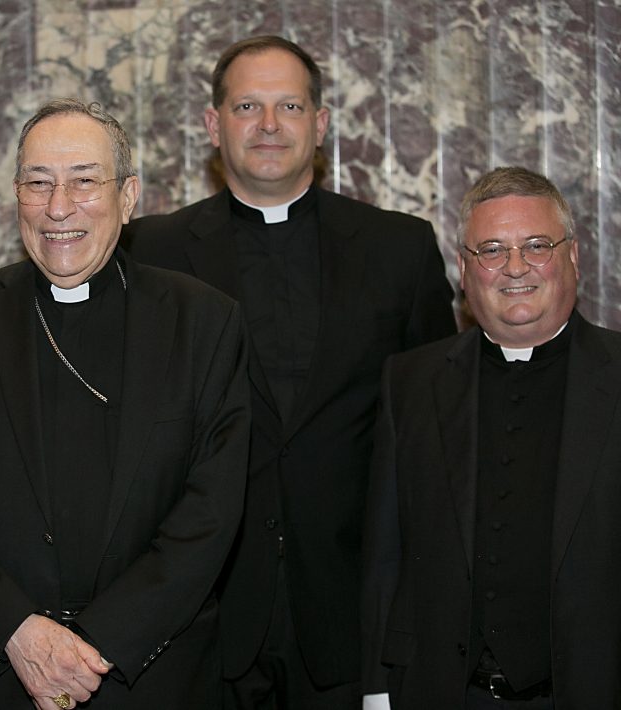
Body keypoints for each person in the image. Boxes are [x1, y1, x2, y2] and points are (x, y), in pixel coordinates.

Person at [123, 35, 457, 709]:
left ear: (321, 123)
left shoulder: (400, 248)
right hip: (202, 617)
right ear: (213, 125)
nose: (269, 126)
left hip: (352, 616)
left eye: (290, 106)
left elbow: (437, 439)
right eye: (248, 106)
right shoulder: (148, 254)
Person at [0, 98, 250, 709]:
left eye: (85, 181)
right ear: (16, 196)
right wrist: (20, 632)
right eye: (38, 183)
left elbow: (210, 512)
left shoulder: (202, 323)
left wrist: (99, 641)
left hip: (149, 673)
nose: (59, 207)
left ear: (129, 195)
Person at [361, 166, 621, 710]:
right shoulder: (410, 381)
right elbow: (386, 555)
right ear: (463, 268)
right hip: (447, 692)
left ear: (573, 256)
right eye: (492, 250)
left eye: (536, 245)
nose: (515, 267)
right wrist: (376, 689)